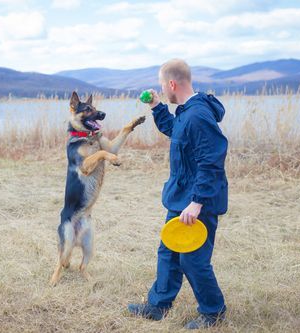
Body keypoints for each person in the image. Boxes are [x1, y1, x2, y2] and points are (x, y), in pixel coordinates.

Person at [127, 59, 229, 329]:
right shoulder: (186, 112)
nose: (162, 89)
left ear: (172, 84)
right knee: (168, 252)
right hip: (181, 196)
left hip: (198, 200)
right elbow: (176, 131)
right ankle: (158, 305)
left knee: (192, 259)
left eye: (163, 86)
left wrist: (197, 202)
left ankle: (213, 312)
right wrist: (157, 107)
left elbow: (212, 160)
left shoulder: (198, 115)